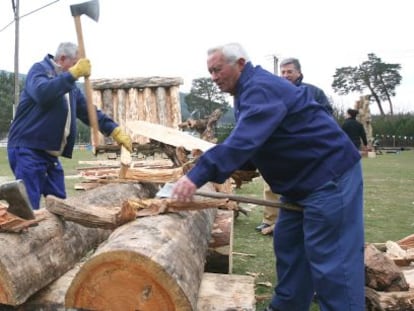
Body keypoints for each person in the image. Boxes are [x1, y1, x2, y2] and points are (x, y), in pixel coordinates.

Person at [171, 43, 365, 311]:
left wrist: (198, 175)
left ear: (239, 63)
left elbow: (244, 140)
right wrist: (240, 165)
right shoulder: (247, 91)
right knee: (290, 249)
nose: (214, 77)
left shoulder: (260, 88)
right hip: (300, 185)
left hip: (328, 178)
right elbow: (262, 140)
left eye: (217, 69)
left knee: (334, 264)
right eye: (210, 72)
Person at [7, 42, 132, 210]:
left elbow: (88, 111)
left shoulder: (70, 87)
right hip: (28, 149)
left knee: (61, 206)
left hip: (50, 155)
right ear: (63, 59)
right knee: (29, 209)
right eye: (75, 65)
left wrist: (113, 129)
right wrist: (72, 74)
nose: (78, 72)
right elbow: (42, 93)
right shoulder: (39, 70)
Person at [255, 57, 333, 235]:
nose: (285, 75)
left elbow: (327, 117)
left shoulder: (313, 92)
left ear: (299, 72)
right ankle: (270, 220)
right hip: (280, 150)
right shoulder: (273, 93)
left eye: (289, 71)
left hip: (308, 149)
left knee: (307, 187)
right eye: (282, 72)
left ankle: (304, 221)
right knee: (271, 185)